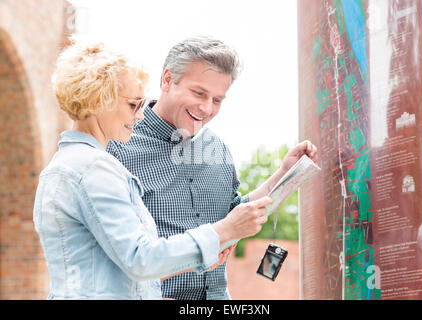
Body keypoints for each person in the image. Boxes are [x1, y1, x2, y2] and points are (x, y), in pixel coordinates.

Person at [32, 41, 272, 300]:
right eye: (134, 105)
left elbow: (118, 264)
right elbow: (139, 259)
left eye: (217, 99)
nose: (140, 115)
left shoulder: (79, 165)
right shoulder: (92, 168)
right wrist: (222, 232)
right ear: (101, 101)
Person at [107, 36, 318, 300]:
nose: (206, 108)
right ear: (167, 80)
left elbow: (233, 218)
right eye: (199, 93)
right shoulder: (117, 146)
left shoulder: (218, 149)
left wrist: (283, 173)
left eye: (217, 100)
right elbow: (104, 253)